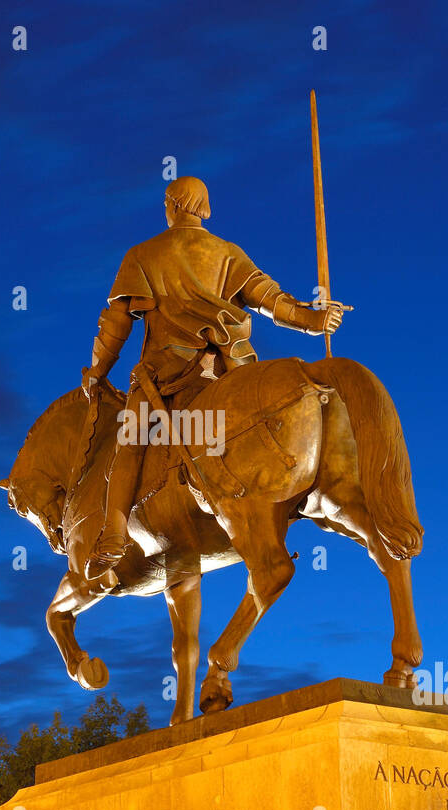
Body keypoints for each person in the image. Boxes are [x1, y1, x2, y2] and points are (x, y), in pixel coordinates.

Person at [81, 176, 343, 579]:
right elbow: (271, 301)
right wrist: (314, 320)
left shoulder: (142, 256)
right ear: (203, 208)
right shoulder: (227, 253)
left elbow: (115, 325)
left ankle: (113, 534)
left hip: (161, 379)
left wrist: (97, 373)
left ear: (171, 206)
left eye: (167, 203)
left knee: (129, 446)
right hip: (226, 378)